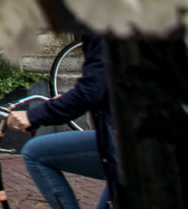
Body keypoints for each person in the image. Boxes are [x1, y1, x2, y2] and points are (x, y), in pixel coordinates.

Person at [6, 36, 116, 209]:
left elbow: (90, 92)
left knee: (35, 154)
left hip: (129, 146)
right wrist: (67, 100)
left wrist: (33, 116)